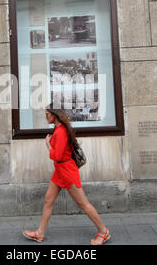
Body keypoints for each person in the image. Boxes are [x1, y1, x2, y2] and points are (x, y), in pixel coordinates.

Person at [23, 105, 111, 245]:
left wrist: (48, 144)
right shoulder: (57, 129)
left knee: (83, 204)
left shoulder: (61, 132)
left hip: (67, 171)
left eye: (47, 114)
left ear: (55, 115)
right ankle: (39, 233)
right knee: (48, 200)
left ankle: (103, 231)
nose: (46, 117)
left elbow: (57, 156)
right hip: (60, 171)